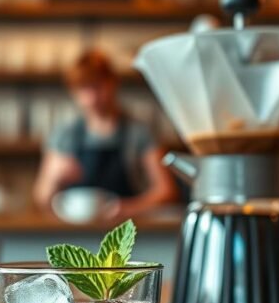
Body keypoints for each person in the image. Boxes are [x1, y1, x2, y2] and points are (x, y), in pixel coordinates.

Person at [33, 51, 176, 221]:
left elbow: (167, 191)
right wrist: (55, 179)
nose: (92, 98)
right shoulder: (65, 135)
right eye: (84, 89)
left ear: (113, 83)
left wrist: (129, 208)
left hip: (125, 231)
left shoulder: (139, 133)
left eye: (97, 86)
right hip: (74, 232)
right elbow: (41, 199)